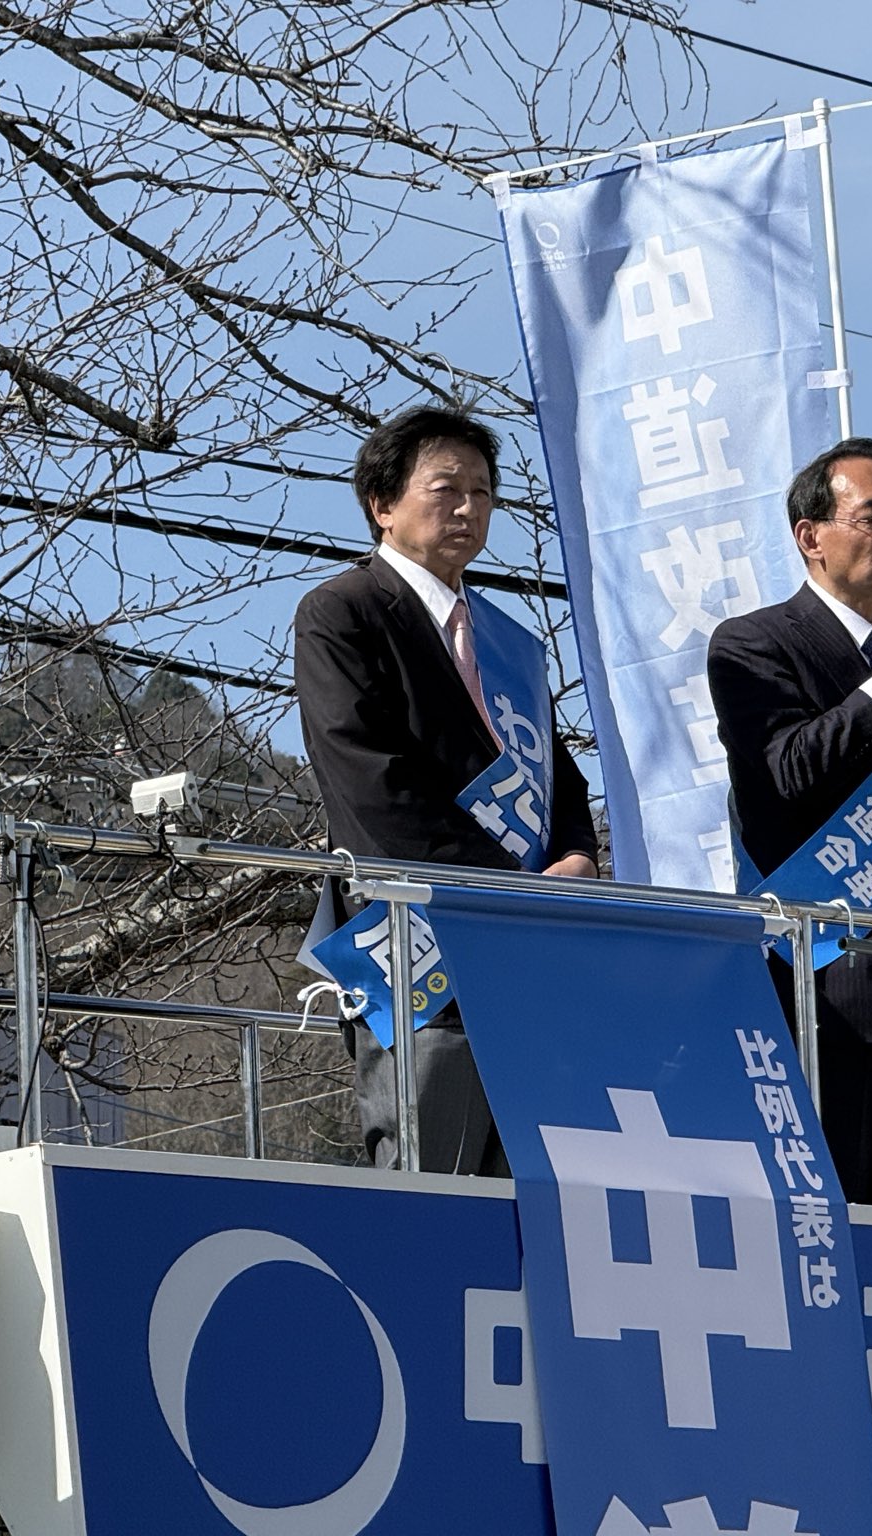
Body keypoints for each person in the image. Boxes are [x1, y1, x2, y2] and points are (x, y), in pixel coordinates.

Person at [295, 405, 600, 1173]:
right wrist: (510, 890)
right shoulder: (344, 612)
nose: (469, 508)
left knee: (525, 1180)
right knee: (432, 1176)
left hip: (523, 951)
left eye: (484, 492)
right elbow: (371, 782)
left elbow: (557, 772)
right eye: (447, 489)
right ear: (383, 504)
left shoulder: (508, 642)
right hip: (419, 945)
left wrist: (574, 853)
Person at [706, 436, 872, 1211]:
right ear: (811, 537)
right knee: (833, 1221)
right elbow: (785, 776)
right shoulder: (758, 643)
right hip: (829, 989)